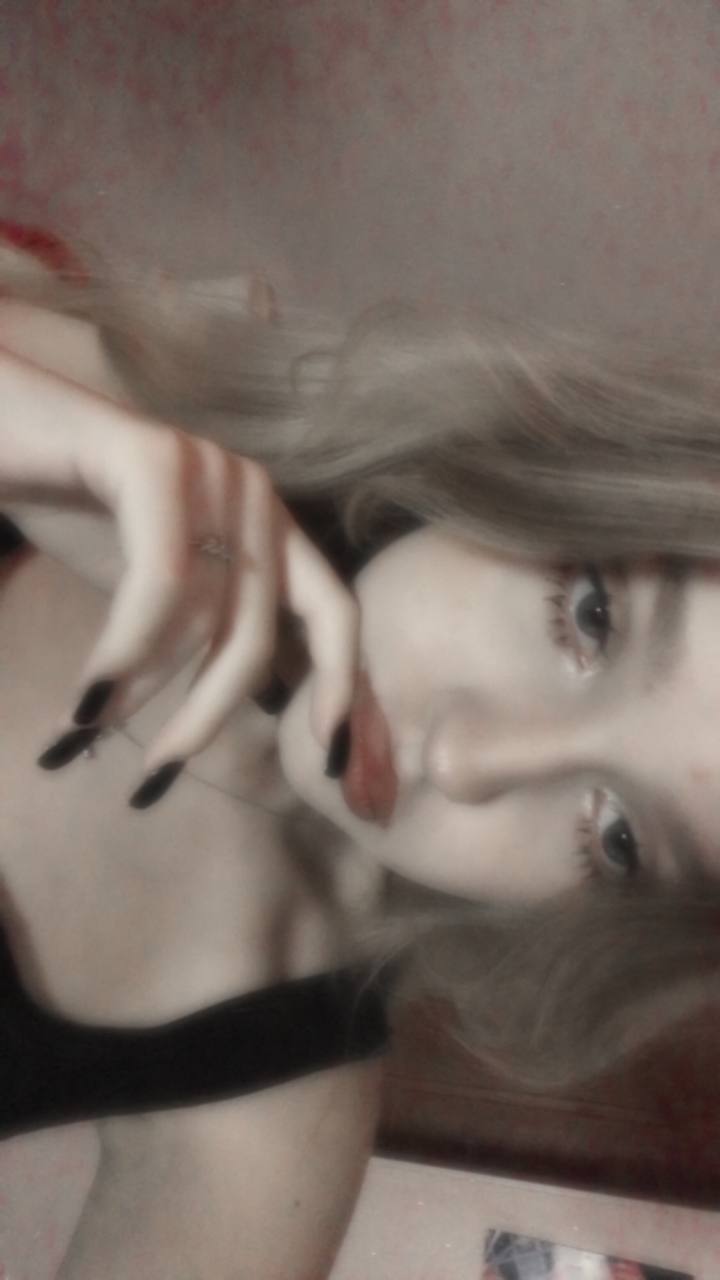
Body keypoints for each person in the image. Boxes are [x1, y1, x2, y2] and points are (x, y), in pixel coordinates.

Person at [3, 224, 720, 1275]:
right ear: (553, 471)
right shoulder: (125, 378)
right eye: (592, 616)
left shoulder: (262, 1137)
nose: (468, 761)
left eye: (619, 838)